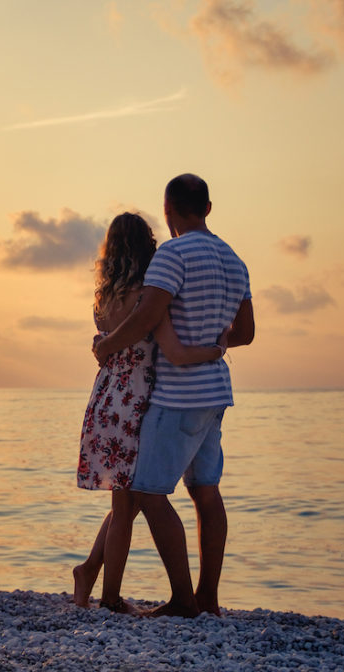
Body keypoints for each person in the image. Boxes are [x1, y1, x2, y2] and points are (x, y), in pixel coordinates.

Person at [92, 174, 254, 618]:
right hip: (216, 391)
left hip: (177, 395)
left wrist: (107, 345)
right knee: (206, 492)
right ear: (208, 208)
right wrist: (214, 342)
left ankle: (184, 600)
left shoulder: (173, 254)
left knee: (147, 492)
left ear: (168, 210)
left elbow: (147, 316)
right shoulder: (234, 259)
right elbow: (245, 332)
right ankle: (208, 598)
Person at [73, 212, 228, 611]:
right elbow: (172, 350)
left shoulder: (103, 297)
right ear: (148, 246)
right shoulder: (148, 298)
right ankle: (108, 595)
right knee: (129, 503)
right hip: (139, 400)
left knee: (126, 502)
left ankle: (91, 573)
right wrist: (214, 350)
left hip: (107, 398)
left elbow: (109, 346)